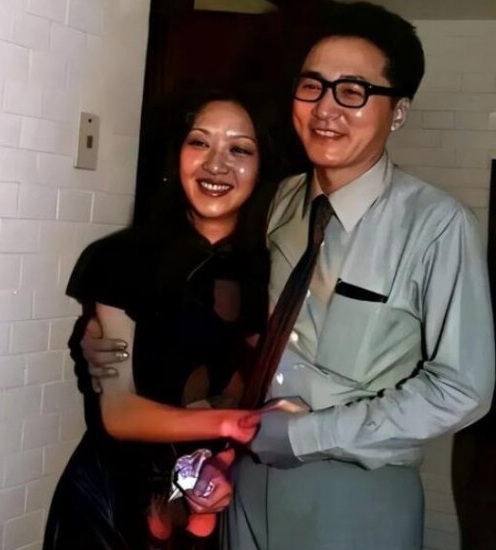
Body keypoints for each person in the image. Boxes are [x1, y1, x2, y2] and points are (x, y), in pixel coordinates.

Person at [84, 3, 495, 549]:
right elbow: (208, 299)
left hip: (355, 491)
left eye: (353, 91)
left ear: (398, 111)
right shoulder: (275, 202)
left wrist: (306, 435)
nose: (326, 108)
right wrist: (113, 336)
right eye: (312, 86)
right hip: (243, 481)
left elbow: (462, 388)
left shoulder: (437, 225)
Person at [42, 91, 276, 550]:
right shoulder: (120, 258)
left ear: (263, 165)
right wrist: (230, 423)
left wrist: (225, 458)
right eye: (199, 142)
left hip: (211, 499)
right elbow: (119, 413)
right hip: (114, 502)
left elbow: (259, 380)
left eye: (239, 149)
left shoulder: (271, 271)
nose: (216, 164)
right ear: (176, 154)